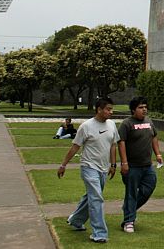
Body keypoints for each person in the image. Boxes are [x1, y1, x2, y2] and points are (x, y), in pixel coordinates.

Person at [57, 97, 120, 243]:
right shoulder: (86, 126)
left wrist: (113, 164)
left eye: (112, 109)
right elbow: (75, 146)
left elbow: (113, 145)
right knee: (96, 198)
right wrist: (63, 165)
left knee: (91, 197)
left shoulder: (111, 125)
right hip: (89, 167)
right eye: (108, 109)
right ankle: (100, 234)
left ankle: (75, 221)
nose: (111, 112)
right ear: (99, 109)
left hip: (103, 168)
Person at [118, 96, 163, 234]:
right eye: (140, 107)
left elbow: (154, 136)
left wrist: (158, 154)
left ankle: (128, 209)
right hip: (132, 166)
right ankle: (129, 221)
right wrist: (124, 163)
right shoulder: (126, 124)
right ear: (133, 110)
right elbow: (121, 142)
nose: (144, 110)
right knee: (131, 193)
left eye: (145, 107)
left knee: (149, 187)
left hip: (147, 165)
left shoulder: (149, 122)